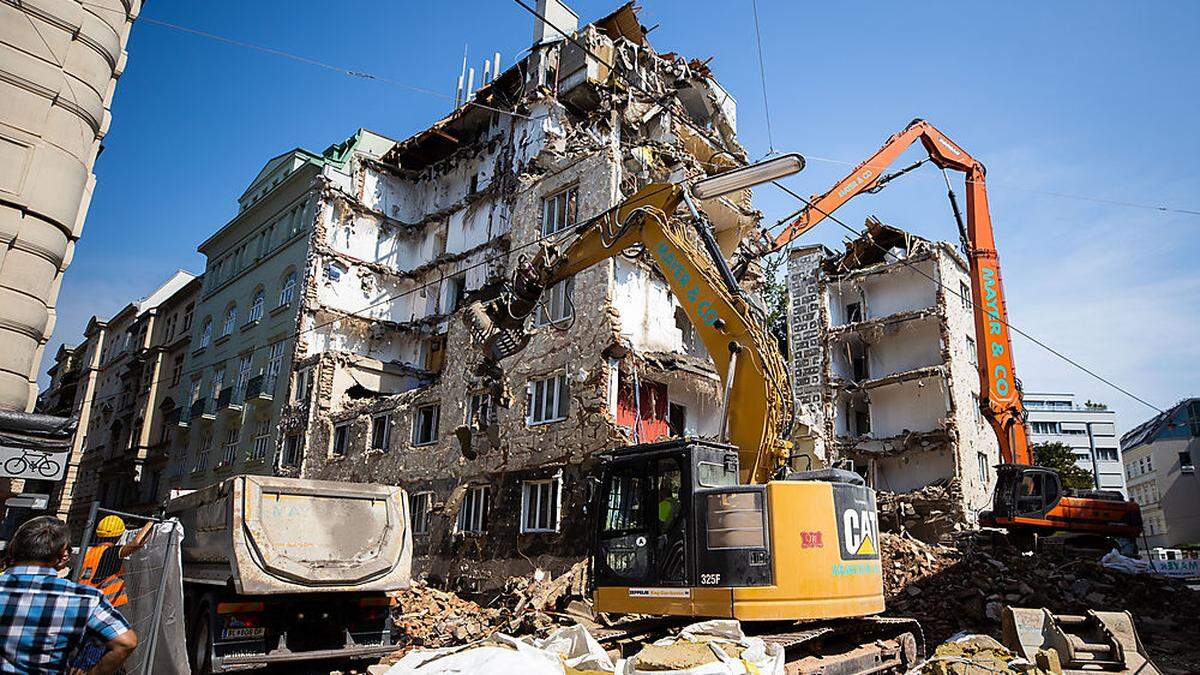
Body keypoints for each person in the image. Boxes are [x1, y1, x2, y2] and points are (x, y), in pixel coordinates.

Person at [0, 516, 137, 674]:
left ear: (11, 549)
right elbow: (126, 642)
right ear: (62, 557)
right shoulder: (84, 598)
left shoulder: (90, 554)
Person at [78, 515, 152, 608]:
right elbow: (137, 543)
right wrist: (151, 521)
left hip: (85, 600)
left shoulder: (89, 552)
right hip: (105, 604)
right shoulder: (111, 552)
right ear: (120, 535)